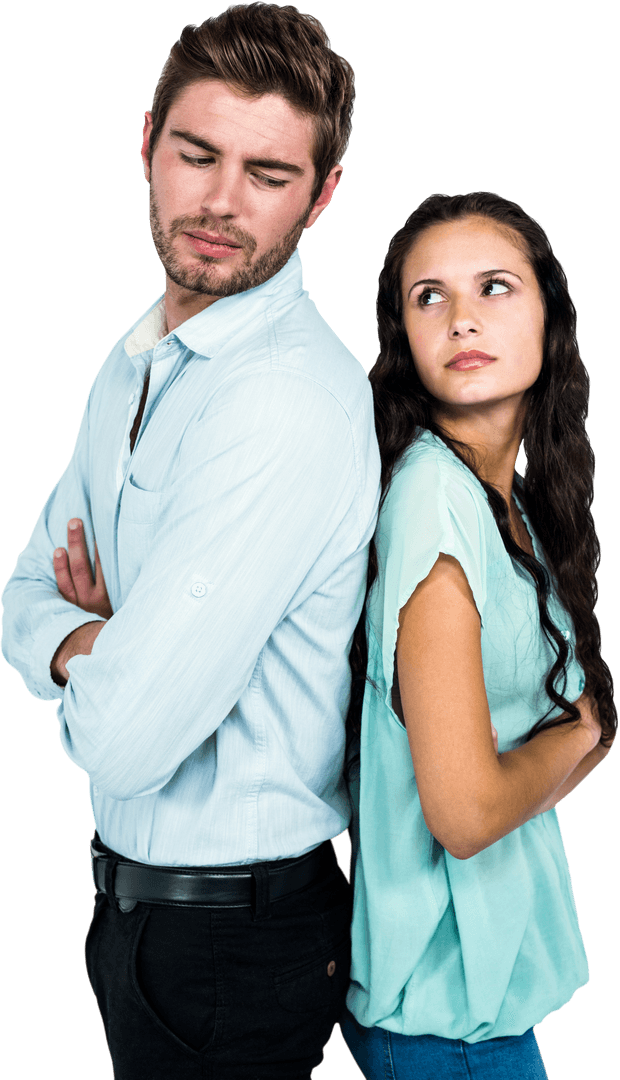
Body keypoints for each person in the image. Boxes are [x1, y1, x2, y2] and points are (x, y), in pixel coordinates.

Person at [1, 5, 380, 1078]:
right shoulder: (133, 359)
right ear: (145, 147)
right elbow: (24, 589)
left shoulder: (281, 404)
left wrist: (79, 648)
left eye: (267, 173)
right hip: (140, 918)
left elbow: (124, 742)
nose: (219, 202)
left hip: (231, 938)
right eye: (197, 154)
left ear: (322, 193)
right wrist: (93, 644)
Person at [340, 191, 616, 1080]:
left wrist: (562, 748)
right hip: (444, 1015)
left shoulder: (510, 508)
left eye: (494, 287)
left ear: (550, 315)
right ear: (405, 339)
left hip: (480, 1000)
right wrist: (581, 733)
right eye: (430, 297)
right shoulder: (434, 503)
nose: (462, 318)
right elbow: (463, 816)